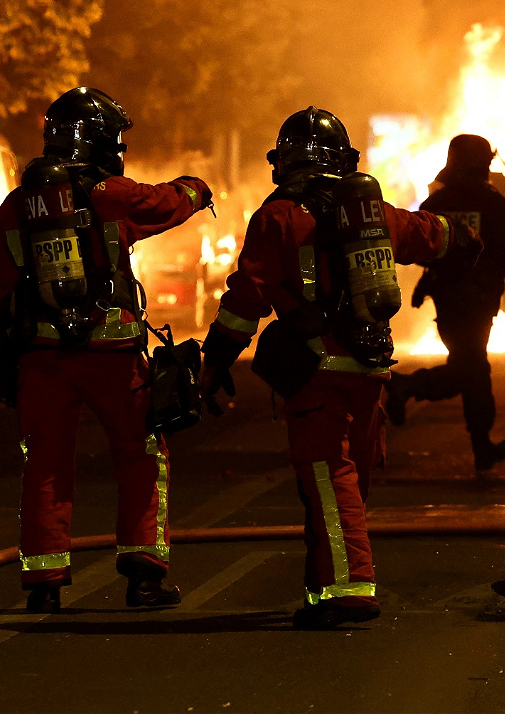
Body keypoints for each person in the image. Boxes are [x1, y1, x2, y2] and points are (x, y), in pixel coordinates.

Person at [198, 106, 478, 630]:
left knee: (330, 478)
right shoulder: (373, 214)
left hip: (317, 369)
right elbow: (429, 234)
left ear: (283, 162)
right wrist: (463, 239)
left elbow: (247, 298)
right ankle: (324, 582)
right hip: (371, 367)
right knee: (352, 478)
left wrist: (215, 359)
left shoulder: (277, 216)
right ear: (343, 159)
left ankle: (346, 589)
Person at [0, 87, 213, 614]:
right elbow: (168, 203)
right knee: (141, 457)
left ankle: (43, 585)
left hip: (41, 358)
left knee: (46, 465)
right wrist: (197, 188)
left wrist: (4, 358)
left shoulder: (17, 206)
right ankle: (144, 577)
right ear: (102, 140)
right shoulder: (111, 194)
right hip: (114, 355)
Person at [384, 134, 505, 471]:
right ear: (480, 162)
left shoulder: (437, 202)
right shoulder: (491, 201)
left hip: (446, 298)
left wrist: (428, 281)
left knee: (471, 366)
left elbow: (420, 245)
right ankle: (409, 386)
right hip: (478, 298)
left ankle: (482, 446)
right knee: (470, 369)